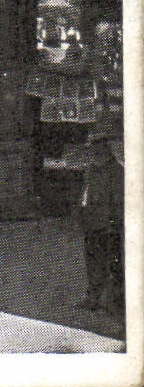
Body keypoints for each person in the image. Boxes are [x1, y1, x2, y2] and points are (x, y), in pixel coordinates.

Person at [79, 115, 125, 314]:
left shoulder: (115, 171)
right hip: (92, 222)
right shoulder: (91, 170)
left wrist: (114, 221)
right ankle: (95, 296)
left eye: (99, 146)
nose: (95, 151)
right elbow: (85, 195)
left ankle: (115, 301)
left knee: (111, 263)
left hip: (107, 224)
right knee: (93, 260)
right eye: (93, 146)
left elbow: (117, 200)